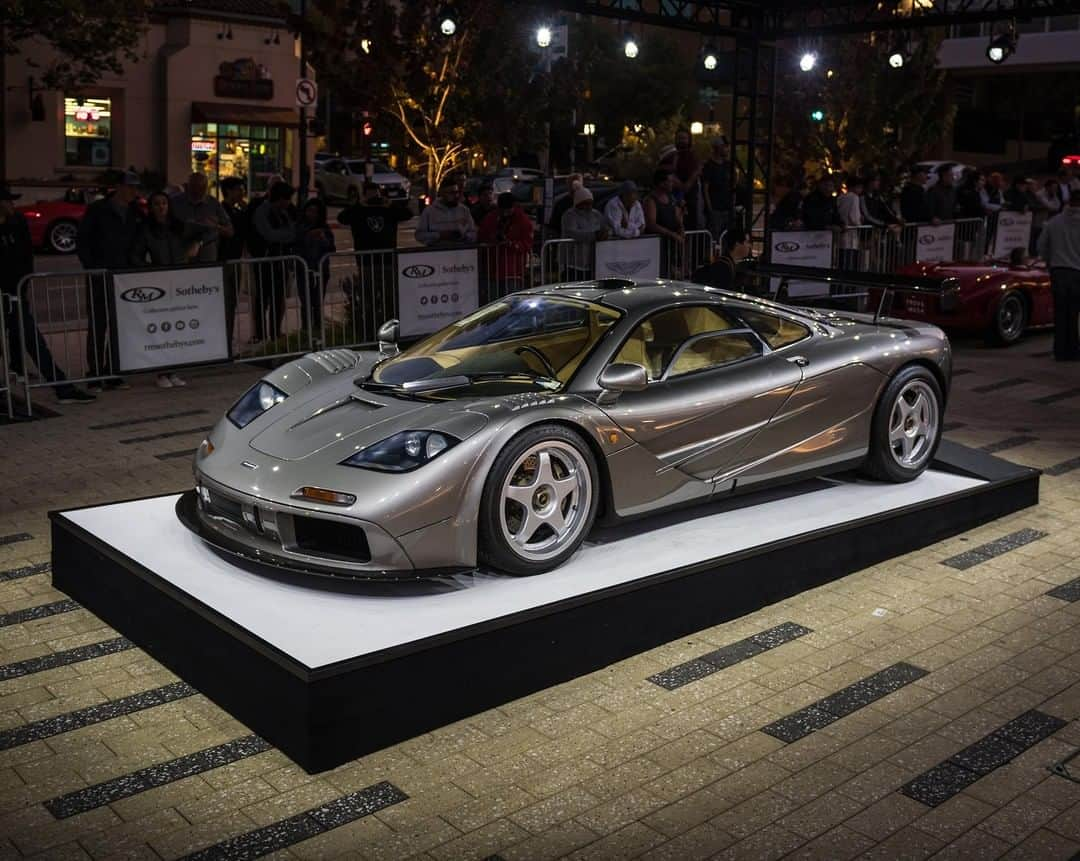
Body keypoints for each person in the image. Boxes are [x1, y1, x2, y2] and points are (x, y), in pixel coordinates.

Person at [0, 184, 95, 404]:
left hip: (15, 294)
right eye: (7, 201)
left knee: (33, 340)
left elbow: (25, 257)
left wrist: (23, 285)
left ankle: (62, 388)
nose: (11, 205)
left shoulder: (17, 223)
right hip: (4, 294)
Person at [130, 191, 217, 388]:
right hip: (159, 281)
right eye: (156, 204)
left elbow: (210, 231)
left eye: (164, 203)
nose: (161, 207)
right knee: (162, 328)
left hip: (180, 281)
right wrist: (150, 270)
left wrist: (197, 243)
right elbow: (135, 255)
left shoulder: (180, 226)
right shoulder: (147, 230)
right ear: (151, 208)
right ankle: (161, 372)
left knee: (179, 327)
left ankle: (174, 369)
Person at [76, 170, 143, 390]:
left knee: (119, 324)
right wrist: (92, 267)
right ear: (120, 187)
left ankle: (113, 370)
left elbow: (138, 241)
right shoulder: (98, 210)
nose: (134, 191)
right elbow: (83, 241)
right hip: (100, 273)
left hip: (123, 276)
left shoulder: (134, 211)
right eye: (131, 187)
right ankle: (95, 372)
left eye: (136, 187)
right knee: (98, 323)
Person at [251, 182, 297, 342]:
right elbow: (269, 234)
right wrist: (287, 234)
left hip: (280, 261)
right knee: (263, 298)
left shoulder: (282, 212)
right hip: (265, 261)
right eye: (288, 199)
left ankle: (275, 332)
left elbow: (292, 231)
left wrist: (287, 234)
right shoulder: (263, 211)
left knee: (278, 298)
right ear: (281, 198)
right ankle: (260, 333)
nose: (290, 202)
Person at [1037, 190, 1080, 361]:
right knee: (1075, 314)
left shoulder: (1054, 222)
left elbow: (1041, 246)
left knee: (1060, 313)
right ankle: (1074, 349)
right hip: (1078, 272)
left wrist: (1051, 261)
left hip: (1059, 271)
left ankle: (1060, 350)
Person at [477, 193, 535, 295]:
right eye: (502, 210)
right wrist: (492, 239)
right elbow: (481, 237)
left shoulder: (522, 220)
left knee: (511, 301)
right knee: (493, 301)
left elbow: (527, 243)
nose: (505, 213)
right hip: (492, 269)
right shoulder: (491, 218)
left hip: (513, 271)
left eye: (508, 210)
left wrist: (511, 244)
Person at [293, 197, 335, 337]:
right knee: (306, 303)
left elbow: (331, 248)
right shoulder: (299, 227)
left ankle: (317, 332)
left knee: (317, 303)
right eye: (309, 211)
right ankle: (306, 332)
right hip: (304, 270)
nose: (312, 214)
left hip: (321, 270)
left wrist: (322, 238)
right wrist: (307, 236)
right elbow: (296, 245)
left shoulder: (324, 228)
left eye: (315, 212)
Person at [170, 172, 233, 263]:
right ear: (188, 186)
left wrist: (216, 226)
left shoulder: (213, 203)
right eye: (194, 187)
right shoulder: (175, 202)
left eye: (202, 188)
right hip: (181, 251)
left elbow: (230, 231)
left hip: (207, 253)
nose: (198, 191)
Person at [218, 177, 248, 356]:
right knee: (225, 306)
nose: (242, 193)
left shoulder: (237, 210)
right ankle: (224, 346)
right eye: (239, 189)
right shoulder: (223, 211)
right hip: (225, 262)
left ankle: (228, 344)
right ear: (228, 191)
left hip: (235, 261)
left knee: (231, 305)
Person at [560, 187, 608, 279]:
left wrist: (606, 233)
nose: (588, 206)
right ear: (578, 202)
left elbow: (605, 228)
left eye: (590, 203)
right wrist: (595, 235)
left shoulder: (596, 214)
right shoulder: (569, 215)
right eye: (585, 203)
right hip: (573, 262)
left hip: (592, 261)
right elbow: (573, 233)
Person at [644, 169, 684, 278]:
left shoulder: (671, 198)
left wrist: (681, 229)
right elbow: (651, 224)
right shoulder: (650, 200)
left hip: (672, 245)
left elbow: (678, 217)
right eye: (670, 181)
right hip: (658, 245)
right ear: (661, 183)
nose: (673, 184)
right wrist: (672, 234)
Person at [415, 180, 476, 245]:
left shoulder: (464, 210)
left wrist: (464, 236)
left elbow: (473, 233)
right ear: (442, 193)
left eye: (456, 192)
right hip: (437, 252)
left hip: (460, 251)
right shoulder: (429, 212)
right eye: (451, 193)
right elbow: (419, 235)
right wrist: (440, 235)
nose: (456, 196)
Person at [690, 227, 750, 291]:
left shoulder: (728, 263)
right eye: (747, 242)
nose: (749, 245)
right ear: (737, 244)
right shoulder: (723, 268)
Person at [700, 137, 732, 240]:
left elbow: (732, 185)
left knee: (726, 239)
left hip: (727, 208)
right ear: (718, 148)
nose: (727, 149)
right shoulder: (709, 166)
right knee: (714, 239)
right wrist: (710, 209)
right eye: (725, 147)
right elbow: (705, 189)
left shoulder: (728, 165)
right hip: (715, 209)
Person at [672, 126, 704, 230]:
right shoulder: (673, 155)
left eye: (684, 138)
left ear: (689, 140)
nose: (682, 141)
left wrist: (687, 185)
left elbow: (697, 170)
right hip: (675, 194)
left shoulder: (693, 155)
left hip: (691, 195)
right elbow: (670, 171)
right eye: (679, 138)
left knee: (691, 223)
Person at [836, 176, 865, 270]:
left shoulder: (840, 197)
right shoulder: (854, 197)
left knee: (841, 262)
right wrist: (860, 222)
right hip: (851, 235)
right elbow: (854, 217)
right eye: (859, 187)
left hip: (841, 233)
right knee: (850, 263)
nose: (861, 189)